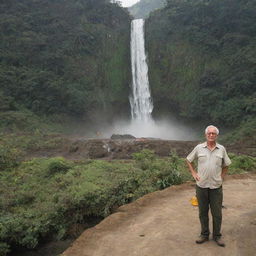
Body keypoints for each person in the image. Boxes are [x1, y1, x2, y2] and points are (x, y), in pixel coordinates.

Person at [186, 125, 231, 247]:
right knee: (203, 212)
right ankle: (204, 235)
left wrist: (222, 177)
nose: (211, 135)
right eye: (209, 133)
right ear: (206, 135)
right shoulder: (199, 148)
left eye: (213, 133)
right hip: (201, 186)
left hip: (216, 187)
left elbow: (227, 164)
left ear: (217, 136)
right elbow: (188, 160)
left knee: (217, 213)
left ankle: (217, 236)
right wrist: (194, 173)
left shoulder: (221, 149)